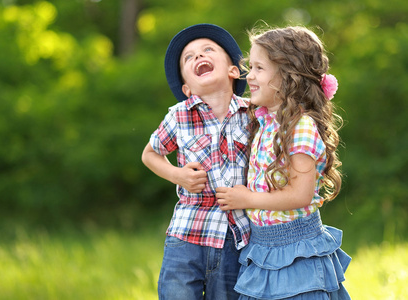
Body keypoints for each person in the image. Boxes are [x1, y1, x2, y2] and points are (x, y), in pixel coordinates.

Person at [216, 26, 351, 299]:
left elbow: (300, 194)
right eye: (249, 66)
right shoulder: (266, 121)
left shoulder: (300, 127)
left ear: (287, 76)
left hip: (295, 251)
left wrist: (247, 199)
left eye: (259, 68)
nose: (249, 75)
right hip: (264, 247)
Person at [141, 24, 251, 299]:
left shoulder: (253, 115)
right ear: (187, 87)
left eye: (208, 50)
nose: (198, 56)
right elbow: (150, 154)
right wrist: (178, 175)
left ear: (233, 70)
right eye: (188, 58)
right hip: (188, 232)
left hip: (237, 236)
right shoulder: (179, 116)